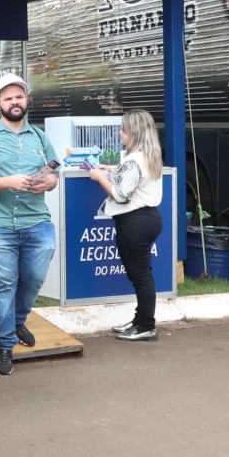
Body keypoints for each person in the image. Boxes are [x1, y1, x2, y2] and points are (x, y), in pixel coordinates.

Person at [0, 73, 59, 377]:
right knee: (3, 285)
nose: (14, 102)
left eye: (19, 96)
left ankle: (18, 319)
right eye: (8, 98)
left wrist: (49, 182)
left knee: (33, 278)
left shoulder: (40, 137)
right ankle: (5, 345)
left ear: (26, 100)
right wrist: (9, 182)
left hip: (37, 222)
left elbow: (55, 174)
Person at [86, 109, 166, 342]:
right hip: (149, 218)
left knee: (140, 276)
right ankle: (140, 320)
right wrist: (110, 170)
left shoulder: (133, 160)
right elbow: (134, 179)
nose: (120, 132)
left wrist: (98, 177)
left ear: (134, 133)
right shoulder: (150, 155)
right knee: (144, 274)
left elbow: (121, 195)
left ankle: (145, 326)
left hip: (134, 222)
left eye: (123, 129)